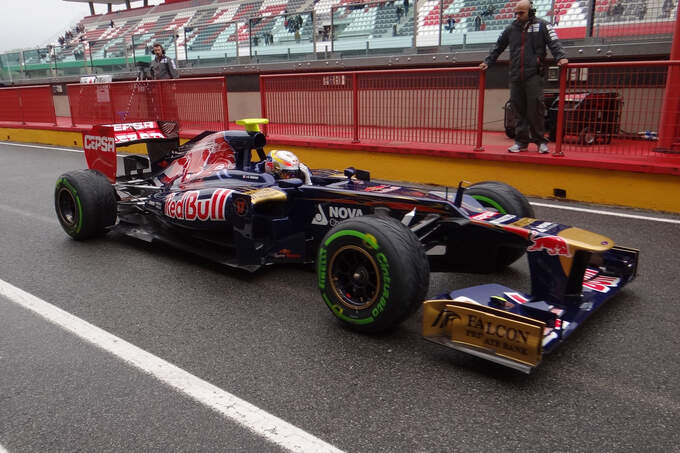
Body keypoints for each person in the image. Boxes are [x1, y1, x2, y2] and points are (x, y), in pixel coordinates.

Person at [480, 0, 568, 153]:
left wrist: (560, 57)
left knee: (536, 108)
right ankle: (521, 142)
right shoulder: (510, 29)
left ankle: (541, 142)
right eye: (516, 13)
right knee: (518, 109)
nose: (518, 16)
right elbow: (498, 47)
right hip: (515, 75)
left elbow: (554, 42)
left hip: (534, 74)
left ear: (531, 11)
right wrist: (488, 62)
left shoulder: (543, 26)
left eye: (521, 12)